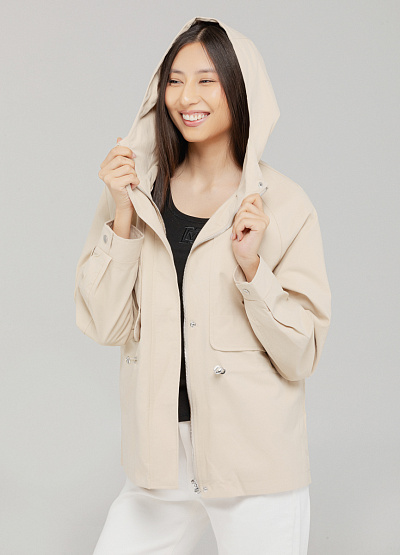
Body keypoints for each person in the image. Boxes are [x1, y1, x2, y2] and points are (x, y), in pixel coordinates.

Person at [74, 16, 331, 555]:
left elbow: (302, 353)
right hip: (159, 461)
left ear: (240, 88)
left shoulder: (284, 205)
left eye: (205, 80)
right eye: (174, 80)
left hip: (255, 465)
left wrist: (252, 269)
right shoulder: (136, 195)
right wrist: (121, 217)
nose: (185, 97)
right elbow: (104, 324)